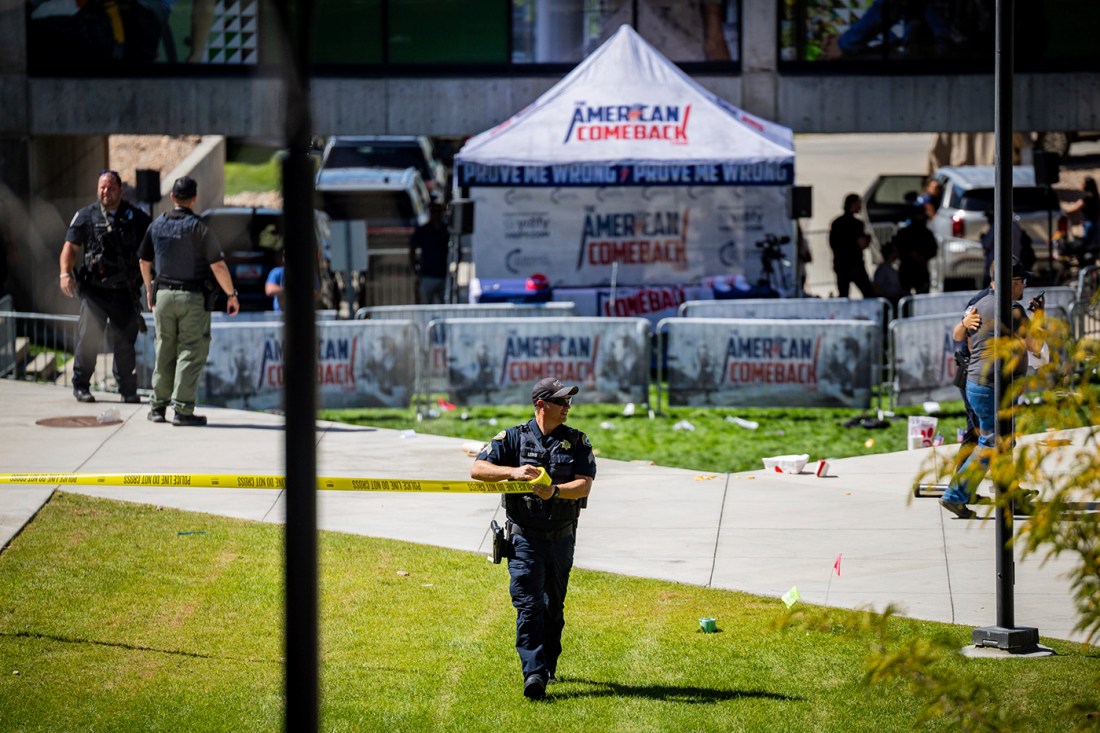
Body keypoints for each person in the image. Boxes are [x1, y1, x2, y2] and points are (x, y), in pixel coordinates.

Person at [470, 377, 597, 701]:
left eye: (569, 401)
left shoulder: (576, 441)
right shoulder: (513, 438)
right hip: (524, 539)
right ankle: (534, 673)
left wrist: (554, 491)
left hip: (561, 539)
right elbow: (478, 469)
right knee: (528, 605)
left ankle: (548, 665)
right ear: (541, 405)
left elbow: (584, 485)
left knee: (553, 606)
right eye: (561, 401)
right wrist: (511, 472)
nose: (567, 407)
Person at [940, 257, 1044, 519]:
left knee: (1003, 440)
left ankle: (1009, 496)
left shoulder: (981, 303)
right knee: (992, 443)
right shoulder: (1013, 309)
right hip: (991, 387)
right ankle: (956, 495)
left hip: (982, 384)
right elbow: (1036, 345)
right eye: (1022, 281)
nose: (1024, 287)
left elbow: (961, 336)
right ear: (1012, 282)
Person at [138, 176, 239, 426]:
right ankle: (182, 411)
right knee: (190, 351)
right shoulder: (200, 228)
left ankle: (157, 408)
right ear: (194, 198)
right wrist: (231, 295)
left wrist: (149, 289)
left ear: (172, 197)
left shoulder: (156, 225)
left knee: (164, 350)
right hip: (192, 298)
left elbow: (143, 261)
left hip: (163, 296)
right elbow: (218, 266)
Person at [59, 169, 152, 404]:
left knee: (124, 344)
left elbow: (152, 248)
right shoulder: (86, 216)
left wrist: (153, 281)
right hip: (94, 292)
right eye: (102, 187)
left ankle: (127, 390)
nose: (106, 191)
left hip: (125, 292)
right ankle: (81, 386)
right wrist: (65, 273)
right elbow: (70, 247)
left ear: (120, 190)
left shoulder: (136, 217)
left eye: (110, 188)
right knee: (88, 340)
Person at [828, 193, 874, 299]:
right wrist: (868, 239)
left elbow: (832, 243)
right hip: (855, 264)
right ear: (853, 204)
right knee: (868, 293)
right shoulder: (857, 224)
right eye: (859, 203)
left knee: (843, 295)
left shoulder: (836, 223)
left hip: (840, 265)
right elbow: (862, 244)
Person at [409, 202, 450, 305]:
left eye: (438, 212)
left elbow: (455, 249)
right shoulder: (423, 230)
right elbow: (412, 247)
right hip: (427, 274)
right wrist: (414, 265)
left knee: (445, 305)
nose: (436, 214)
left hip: (443, 275)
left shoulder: (447, 230)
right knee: (425, 305)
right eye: (433, 212)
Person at [893, 203, 938, 295]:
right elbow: (898, 248)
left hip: (920, 270)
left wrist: (922, 257)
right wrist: (912, 254)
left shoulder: (926, 234)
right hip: (907, 269)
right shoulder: (904, 233)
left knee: (922, 295)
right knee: (905, 295)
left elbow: (933, 250)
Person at [872, 241, 905, 308]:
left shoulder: (893, 268)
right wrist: (888, 295)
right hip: (888, 302)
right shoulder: (882, 269)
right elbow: (876, 287)